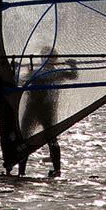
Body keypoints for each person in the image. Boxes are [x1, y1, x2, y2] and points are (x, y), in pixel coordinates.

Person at [18, 48, 78, 177]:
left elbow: (73, 76)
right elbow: (20, 81)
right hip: (33, 108)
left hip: (45, 110)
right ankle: (21, 171)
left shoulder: (54, 72)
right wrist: (16, 69)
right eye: (45, 57)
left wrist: (73, 65)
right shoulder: (37, 72)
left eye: (51, 57)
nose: (47, 59)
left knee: (50, 139)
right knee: (25, 138)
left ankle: (56, 170)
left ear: (55, 59)